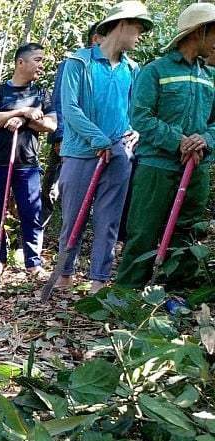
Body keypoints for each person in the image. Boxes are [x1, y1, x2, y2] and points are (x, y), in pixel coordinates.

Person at [55, 1, 152, 294]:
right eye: (138, 28)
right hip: (81, 152)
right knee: (74, 217)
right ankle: (64, 276)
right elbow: (70, 108)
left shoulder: (132, 69)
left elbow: (136, 110)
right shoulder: (78, 63)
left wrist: (135, 132)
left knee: (109, 219)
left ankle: (99, 281)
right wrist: (97, 138)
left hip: (119, 154)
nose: (140, 36)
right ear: (122, 25)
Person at [116, 3, 215, 289]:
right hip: (156, 166)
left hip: (197, 168)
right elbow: (141, 117)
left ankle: (176, 293)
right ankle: (127, 297)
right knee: (143, 231)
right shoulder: (155, 71)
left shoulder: (210, 77)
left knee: (187, 232)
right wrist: (178, 140)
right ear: (199, 31)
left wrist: (204, 140)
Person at [0, 43, 56, 277]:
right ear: (20, 63)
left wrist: (24, 122)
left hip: (27, 163)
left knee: (31, 212)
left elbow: (51, 124)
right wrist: (22, 112)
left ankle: (33, 263)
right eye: (37, 59)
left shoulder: (42, 93)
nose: (41, 65)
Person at [40, 22, 101, 229]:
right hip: (69, 139)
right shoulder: (72, 64)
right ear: (95, 38)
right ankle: (36, 237)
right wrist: (59, 136)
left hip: (98, 143)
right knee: (52, 188)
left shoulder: (117, 67)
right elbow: (60, 101)